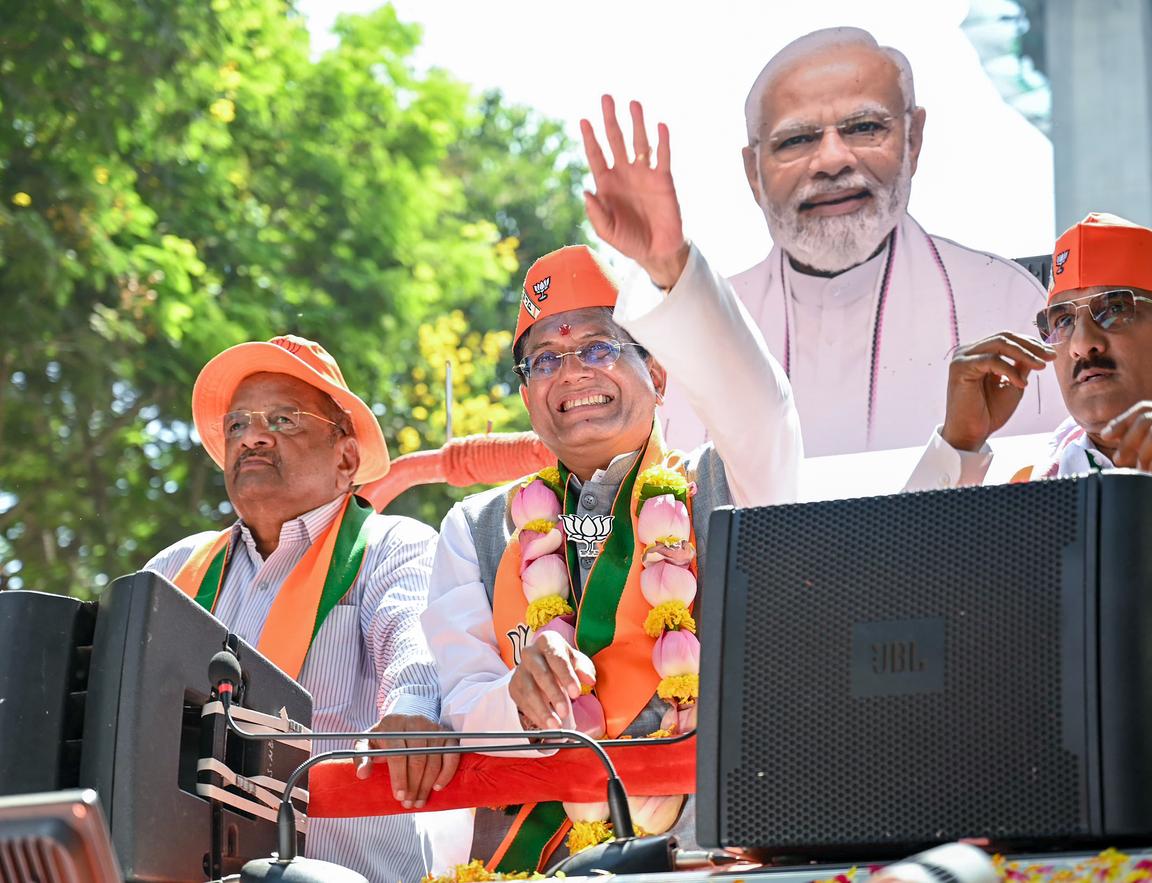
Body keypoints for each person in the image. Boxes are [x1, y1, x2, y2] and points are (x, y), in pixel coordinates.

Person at [420, 95, 803, 870]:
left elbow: (767, 415)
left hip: (715, 857)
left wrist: (670, 268)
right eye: (546, 360)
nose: (572, 374)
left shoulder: (727, 484)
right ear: (528, 396)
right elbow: (465, 705)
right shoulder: (476, 527)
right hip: (545, 860)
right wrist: (515, 697)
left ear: (656, 371)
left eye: (599, 348)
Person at [143, 336, 469, 883]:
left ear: (346, 457)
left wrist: (413, 707)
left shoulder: (391, 546)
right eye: (238, 426)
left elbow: (413, 641)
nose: (253, 437)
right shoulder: (176, 569)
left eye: (284, 419)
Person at [659, 26, 1065, 456]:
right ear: (753, 173)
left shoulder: (1005, 301)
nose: (832, 160)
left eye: (864, 127)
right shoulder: (698, 337)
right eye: (796, 139)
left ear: (913, 140)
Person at [905, 212, 1152, 489]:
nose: (1081, 345)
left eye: (1115, 308)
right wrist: (960, 443)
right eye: (1064, 321)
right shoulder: (1033, 492)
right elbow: (905, 546)